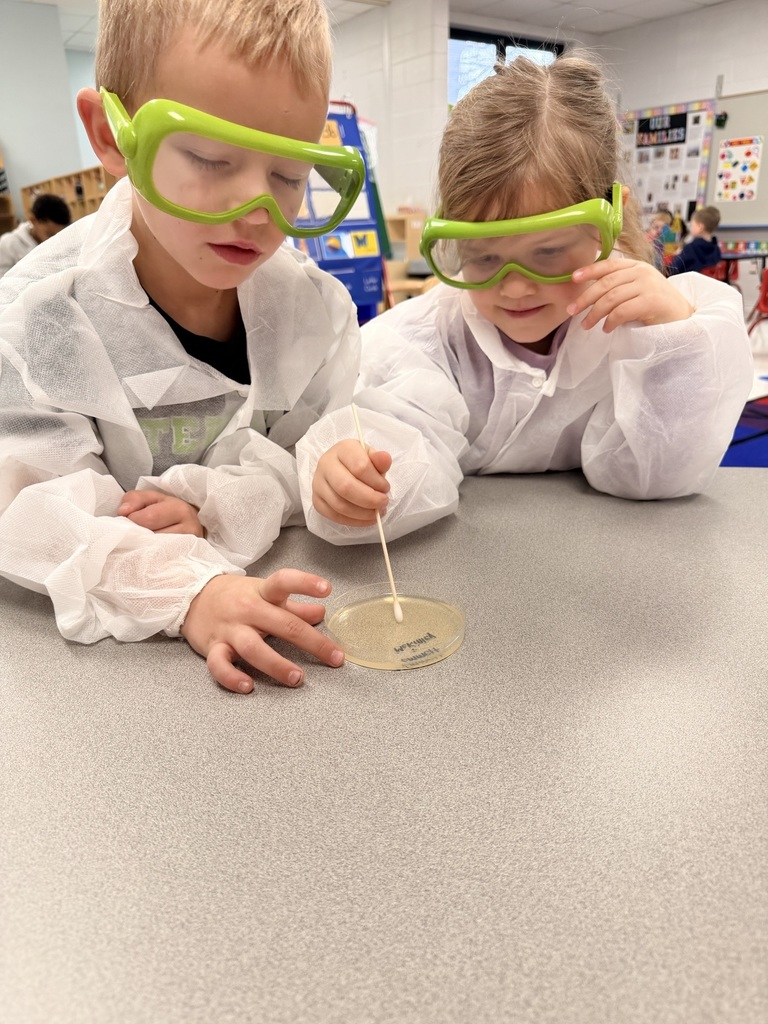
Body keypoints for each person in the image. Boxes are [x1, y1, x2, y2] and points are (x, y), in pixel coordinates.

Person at [0, 0, 368, 693]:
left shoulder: (312, 312)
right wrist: (189, 590)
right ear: (111, 137)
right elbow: (31, 515)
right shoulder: (36, 324)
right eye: (208, 157)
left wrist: (219, 505)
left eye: (289, 174)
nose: (256, 209)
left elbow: (312, 451)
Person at [295, 55, 753, 544]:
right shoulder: (425, 340)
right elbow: (401, 453)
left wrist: (674, 344)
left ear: (611, 219)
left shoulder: (650, 322)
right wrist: (358, 476)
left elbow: (658, 477)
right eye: (483, 257)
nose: (514, 287)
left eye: (550, 251)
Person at [0, 193, 71, 278]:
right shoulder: (8, 243)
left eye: (58, 235)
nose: (54, 239)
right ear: (33, 220)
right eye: (49, 234)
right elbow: (3, 282)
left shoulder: (60, 241)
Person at [666, 205, 722, 276]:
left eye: (692, 225)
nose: (690, 227)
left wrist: (677, 256)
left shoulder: (690, 249)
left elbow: (672, 270)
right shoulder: (716, 250)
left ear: (700, 227)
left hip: (687, 285)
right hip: (707, 286)